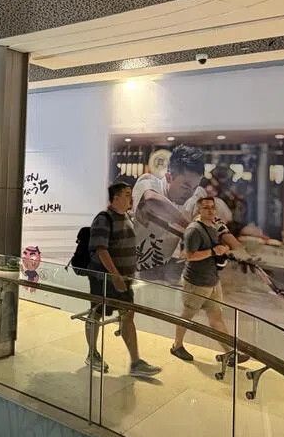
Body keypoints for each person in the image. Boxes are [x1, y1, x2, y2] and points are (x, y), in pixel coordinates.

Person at [84, 183, 161, 378]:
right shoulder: (103, 219)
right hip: (104, 280)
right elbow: (101, 250)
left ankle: (135, 362)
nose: (131, 198)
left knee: (128, 315)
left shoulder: (127, 217)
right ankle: (92, 353)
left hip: (124, 280)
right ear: (115, 198)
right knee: (96, 313)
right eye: (127, 195)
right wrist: (115, 276)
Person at [131, 145, 232, 280]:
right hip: (128, 270)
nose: (189, 193)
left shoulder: (192, 199)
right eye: (185, 186)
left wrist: (231, 247)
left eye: (194, 187)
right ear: (169, 177)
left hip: (160, 272)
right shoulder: (148, 182)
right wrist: (192, 228)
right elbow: (152, 200)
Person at [171, 197, 248, 365]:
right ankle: (177, 345)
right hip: (196, 283)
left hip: (212, 281)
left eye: (213, 207)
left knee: (216, 317)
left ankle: (229, 353)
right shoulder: (194, 230)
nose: (211, 210)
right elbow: (189, 256)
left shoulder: (213, 226)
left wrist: (224, 250)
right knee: (187, 316)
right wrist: (214, 251)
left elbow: (219, 244)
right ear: (199, 210)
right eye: (206, 208)